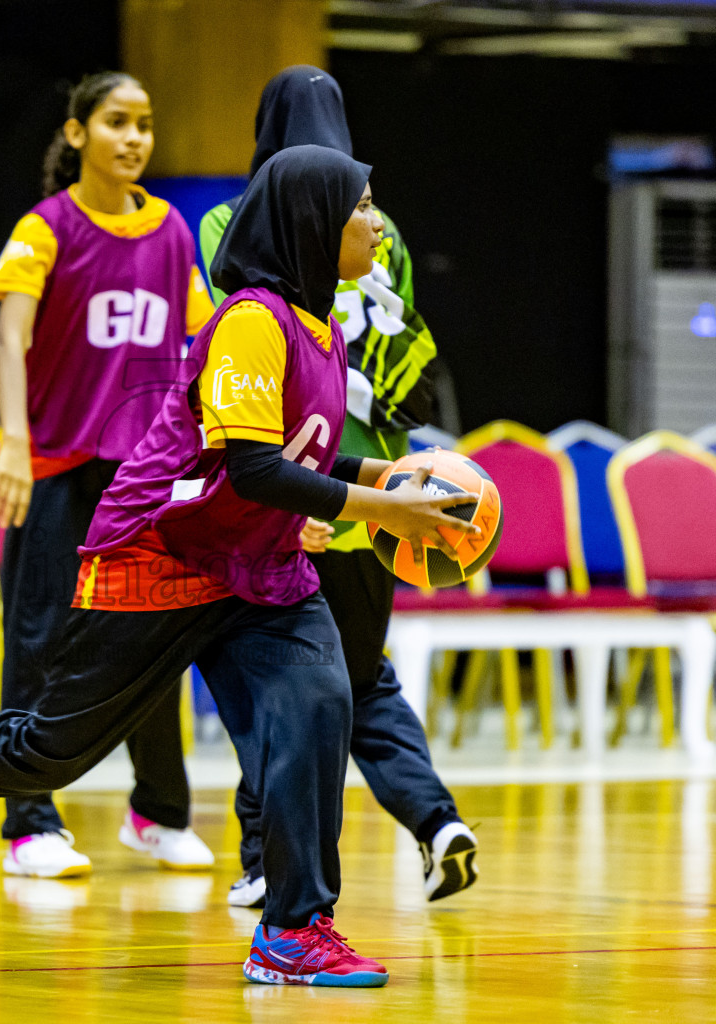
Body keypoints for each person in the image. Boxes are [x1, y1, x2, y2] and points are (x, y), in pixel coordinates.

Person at [0, 144, 481, 987]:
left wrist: (376, 474)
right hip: (161, 551)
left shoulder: (321, 329)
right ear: (312, 224)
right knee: (51, 750)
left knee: (320, 702)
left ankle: (295, 930)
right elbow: (253, 469)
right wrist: (385, 507)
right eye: (360, 206)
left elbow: (300, 455)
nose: (376, 222)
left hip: (256, 565)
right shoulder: (251, 319)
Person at [199, 66, 474, 909]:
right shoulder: (376, 223)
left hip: (287, 503)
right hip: (379, 503)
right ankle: (434, 821)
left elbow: (218, 355)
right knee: (356, 681)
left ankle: (263, 861)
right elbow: (416, 369)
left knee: (271, 691)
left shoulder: (232, 219)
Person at [0, 71, 216, 878]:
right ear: (78, 133)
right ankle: (28, 823)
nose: (135, 139)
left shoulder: (173, 233)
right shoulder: (45, 229)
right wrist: (13, 441)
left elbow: (196, 352)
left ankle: (158, 811)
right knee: (38, 644)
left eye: (145, 124)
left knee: (152, 639)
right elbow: (10, 341)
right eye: (117, 122)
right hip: (56, 468)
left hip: (142, 479)